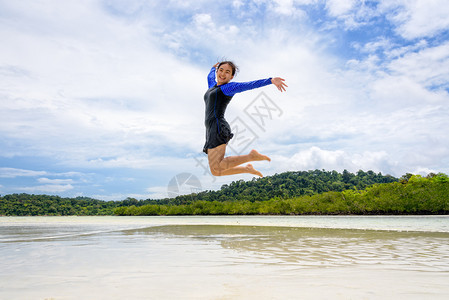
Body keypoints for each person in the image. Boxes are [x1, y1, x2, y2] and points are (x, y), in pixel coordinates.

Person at [203, 61, 287, 177]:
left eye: (227, 72)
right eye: (221, 70)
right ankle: (247, 169)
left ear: (231, 77)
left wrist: (270, 80)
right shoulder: (212, 86)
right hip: (210, 129)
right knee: (215, 170)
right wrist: (213, 68)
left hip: (218, 127)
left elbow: (249, 84)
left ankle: (251, 157)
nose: (223, 74)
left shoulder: (228, 88)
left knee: (217, 167)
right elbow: (210, 76)